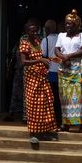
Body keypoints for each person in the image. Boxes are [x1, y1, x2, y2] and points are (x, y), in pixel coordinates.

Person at [20, 19, 57, 148]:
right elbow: (24, 62)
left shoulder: (38, 42)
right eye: (32, 31)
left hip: (42, 77)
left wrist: (46, 61)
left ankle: (44, 132)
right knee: (34, 105)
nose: (34, 33)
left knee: (45, 104)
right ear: (26, 32)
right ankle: (33, 134)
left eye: (36, 31)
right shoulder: (24, 44)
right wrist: (39, 60)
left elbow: (41, 58)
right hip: (31, 79)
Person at [56, 10, 82, 133]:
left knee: (79, 97)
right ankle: (66, 124)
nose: (67, 26)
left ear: (76, 25)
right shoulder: (61, 36)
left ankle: (81, 124)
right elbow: (56, 49)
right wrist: (63, 57)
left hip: (77, 68)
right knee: (65, 97)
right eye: (66, 24)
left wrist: (68, 56)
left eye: (70, 24)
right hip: (64, 68)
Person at [41, 19, 62, 126]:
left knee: (50, 98)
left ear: (47, 29)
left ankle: (52, 120)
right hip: (61, 71)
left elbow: (43, 55)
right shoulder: (62, 38)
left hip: (50, 72)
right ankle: (60, 121)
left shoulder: (45, 40)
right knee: (60, 97)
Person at [3, 39, 25, 123]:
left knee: (26, 94)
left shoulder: (35, 43)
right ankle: (13, 113)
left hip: (28, 71)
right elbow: (13, 58)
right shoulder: (18, 45)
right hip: (19, 71)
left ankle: (24, 115)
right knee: (16, 93)